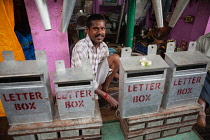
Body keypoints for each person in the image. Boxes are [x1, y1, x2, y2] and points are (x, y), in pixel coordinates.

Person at [71, 14, 120, 110]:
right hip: (82, 83)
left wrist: (123, 78)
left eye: (103, 28)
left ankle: (104, 88)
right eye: (95, 29)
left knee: (116, 59)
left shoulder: (103, 46)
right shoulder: (81, 47)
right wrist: (107, 97)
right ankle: (101, 93)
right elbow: (85, 78)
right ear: (87, 29)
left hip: (95, 80)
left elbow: (108, 68)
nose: (100, 32)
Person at [196, 32, 210, 127]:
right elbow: (193, 57)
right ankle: (201, 111)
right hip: (206, 72)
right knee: (201, 80)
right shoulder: (202, 39)